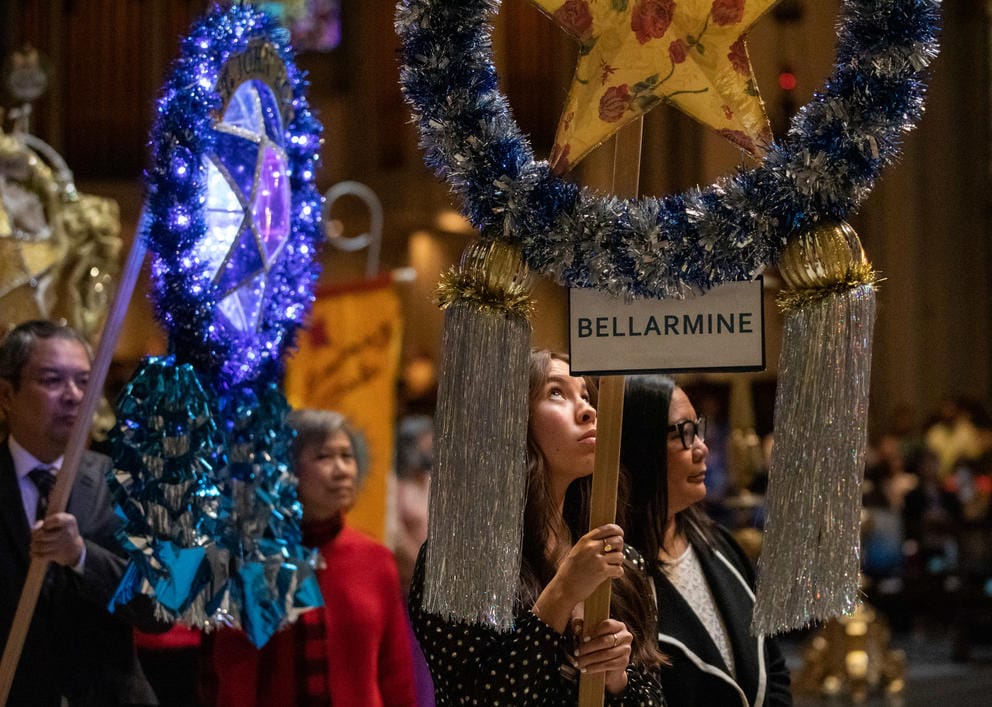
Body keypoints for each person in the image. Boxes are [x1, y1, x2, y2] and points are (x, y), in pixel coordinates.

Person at [408, 349, 665, 705]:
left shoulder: (622, 560)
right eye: (556, 392)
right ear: (513, 420)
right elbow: (479, 697)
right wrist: (562, 592)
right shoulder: (457, 561)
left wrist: (617, 680)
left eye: (586, 396)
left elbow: (654, 697)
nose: (588, 410)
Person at [202, 408, 418, 706]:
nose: (341, 469)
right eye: (323, 457)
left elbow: (396, 674)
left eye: (347, 456)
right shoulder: (258, 559)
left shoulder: (375, 559)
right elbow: (236, 675)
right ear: (288, 470)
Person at [0, 319, 162, 706]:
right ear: (7, 394)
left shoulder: (123, 482)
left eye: (84, 381)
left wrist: (81, 556)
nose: (74, 396)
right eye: (53, 380)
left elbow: (158, 608)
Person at [620, 375, 792, 707]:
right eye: (682, 434)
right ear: (639, 449)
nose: (702, 447)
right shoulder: (616, 573)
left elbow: (773, 667)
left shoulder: (719, 543)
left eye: (697, 429)